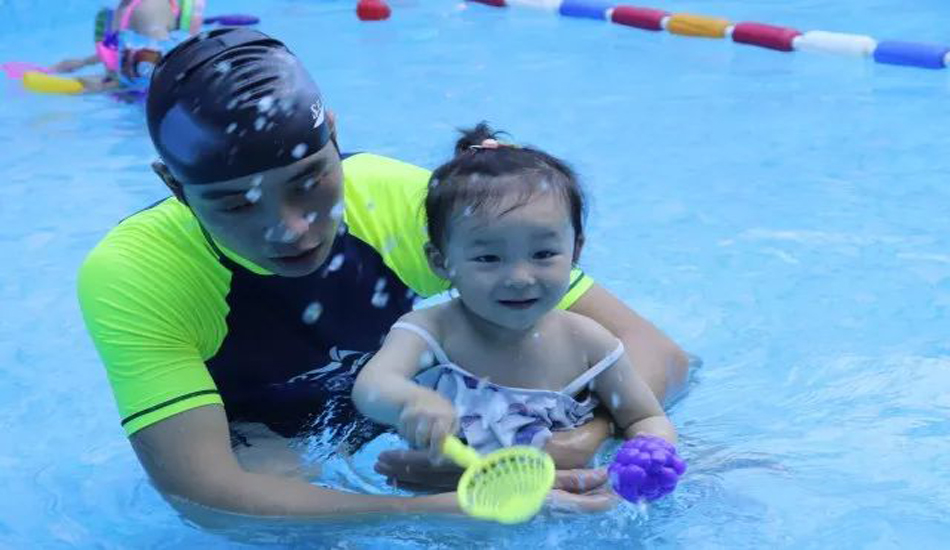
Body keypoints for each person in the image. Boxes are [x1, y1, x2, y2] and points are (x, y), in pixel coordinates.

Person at [77, 28, 689, 523]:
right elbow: (205, 495)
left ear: (334, 135)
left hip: (427, 431)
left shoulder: (392, 199)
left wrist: (570, 443)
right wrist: (434, 512)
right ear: (173, 186)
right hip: (278, 446)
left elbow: (656, 353)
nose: (290, 229)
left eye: (309, 181)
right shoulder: (138, 273)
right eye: (236, 205)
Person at [352, 125, 677, 465]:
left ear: (575, 252)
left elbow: (645, 417)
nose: (520, 278)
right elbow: (372, 387)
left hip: (567, 488)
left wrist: (651, 455)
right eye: (488, 258)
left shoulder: (588, 342)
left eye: (543, 254)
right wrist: (412, 401)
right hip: (457, 492)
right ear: (440, 261)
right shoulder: (431, 332)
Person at [51, 0, 203, 93]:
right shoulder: (124, 6)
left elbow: (161, 72)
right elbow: (127, 48)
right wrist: (84, 62)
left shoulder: (147, 10)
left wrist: (105, 87)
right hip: (127, 84)